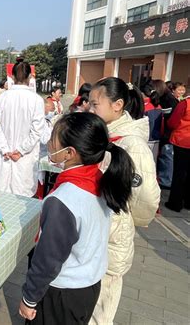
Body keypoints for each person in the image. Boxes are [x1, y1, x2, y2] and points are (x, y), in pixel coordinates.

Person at [19, 113, 134, 324]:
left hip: (61, 294)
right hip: (88, 286)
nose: (49, 144)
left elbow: (47, 259)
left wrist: (29, 298)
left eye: (53, 139)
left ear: (69, 153)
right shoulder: (101, 180)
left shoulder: (63, 200)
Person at [88, 77, 160, 324]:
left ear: (117, 105)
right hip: (97, 230)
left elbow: (147, 196)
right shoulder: (105, 136)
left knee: (101, 308)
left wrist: (134, 220)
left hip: (113, 234)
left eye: (95, 104)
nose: (90, 109)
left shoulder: (133, 145)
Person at [0, 58, 45, 197]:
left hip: (5, 157)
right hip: (23, 159)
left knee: (2, 200)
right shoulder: (36, 100)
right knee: (22, 204)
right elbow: (37, 131)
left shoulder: (2, 98)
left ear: (12, 77)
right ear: (30, 77)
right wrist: (20, 151)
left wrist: (5, 149)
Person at [165, 93, 190, 212]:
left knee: (179, 173)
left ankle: (175, 203)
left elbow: (172, 122)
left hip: (183, 141)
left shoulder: (185, 103)